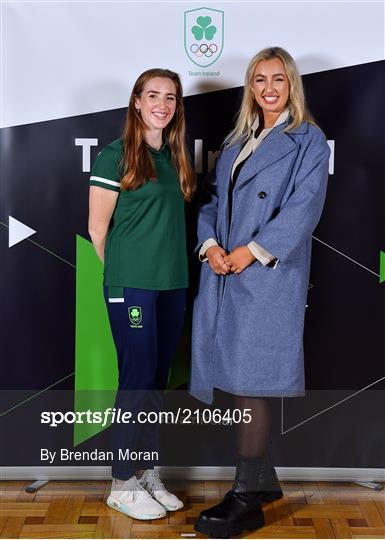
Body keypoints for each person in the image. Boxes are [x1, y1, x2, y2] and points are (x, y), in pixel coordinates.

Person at [191, 46, 330, 537]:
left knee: (253, 381)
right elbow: (211, 201)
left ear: (292, 84)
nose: (269, 89)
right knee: (236, 376)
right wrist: (210, 246)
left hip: (268, 274)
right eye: (259, 80)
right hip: (224, 271)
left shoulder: (308, 141)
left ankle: (246, 496)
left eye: (278, 79)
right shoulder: (237, 141)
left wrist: (251, 251)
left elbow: (303, 210)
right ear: (250, 88)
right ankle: (264, 479)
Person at [88, 68, 195, 521]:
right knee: (135, 383)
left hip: (173, 284)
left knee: (155, 383)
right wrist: (125, 274)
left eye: (170, 97)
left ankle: (147, 470)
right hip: (133, 285)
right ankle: (121, 481)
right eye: (153, 95)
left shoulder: (174, 157)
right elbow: (97, 228)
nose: (162, 104)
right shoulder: (114, 157)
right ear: (136, 101)